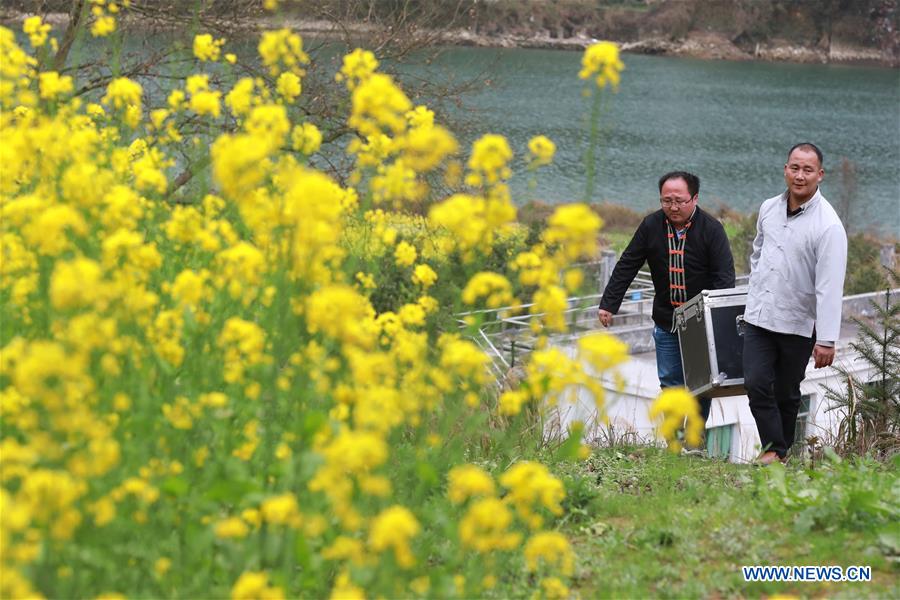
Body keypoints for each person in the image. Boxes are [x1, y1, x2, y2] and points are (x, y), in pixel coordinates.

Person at [597, 171, 735, 421]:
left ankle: (695, 442)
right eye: (666, 200)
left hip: (700, 323)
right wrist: (609, 303)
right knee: (670, 382)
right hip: (666, 319)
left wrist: (718, 321)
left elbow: (724, 278)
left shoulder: (712, 229)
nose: (672, 207)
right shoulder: (651, 225)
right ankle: (673, 440)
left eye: (679, 201)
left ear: (694, 198)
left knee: (700, 385)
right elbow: (628, 263)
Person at [743, 142, 847, 465]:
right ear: (785, 170)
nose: (799, 176)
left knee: (787, 393)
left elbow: (830, 287)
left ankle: (779, 457)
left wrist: (827, 339)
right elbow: (757, 253)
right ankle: (775, 449)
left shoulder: (828, 226)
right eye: (794, 168)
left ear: (820, 175)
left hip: (798, 322)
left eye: (807, 170)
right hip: (759, 316)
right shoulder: (768, 208)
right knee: (756, 383)